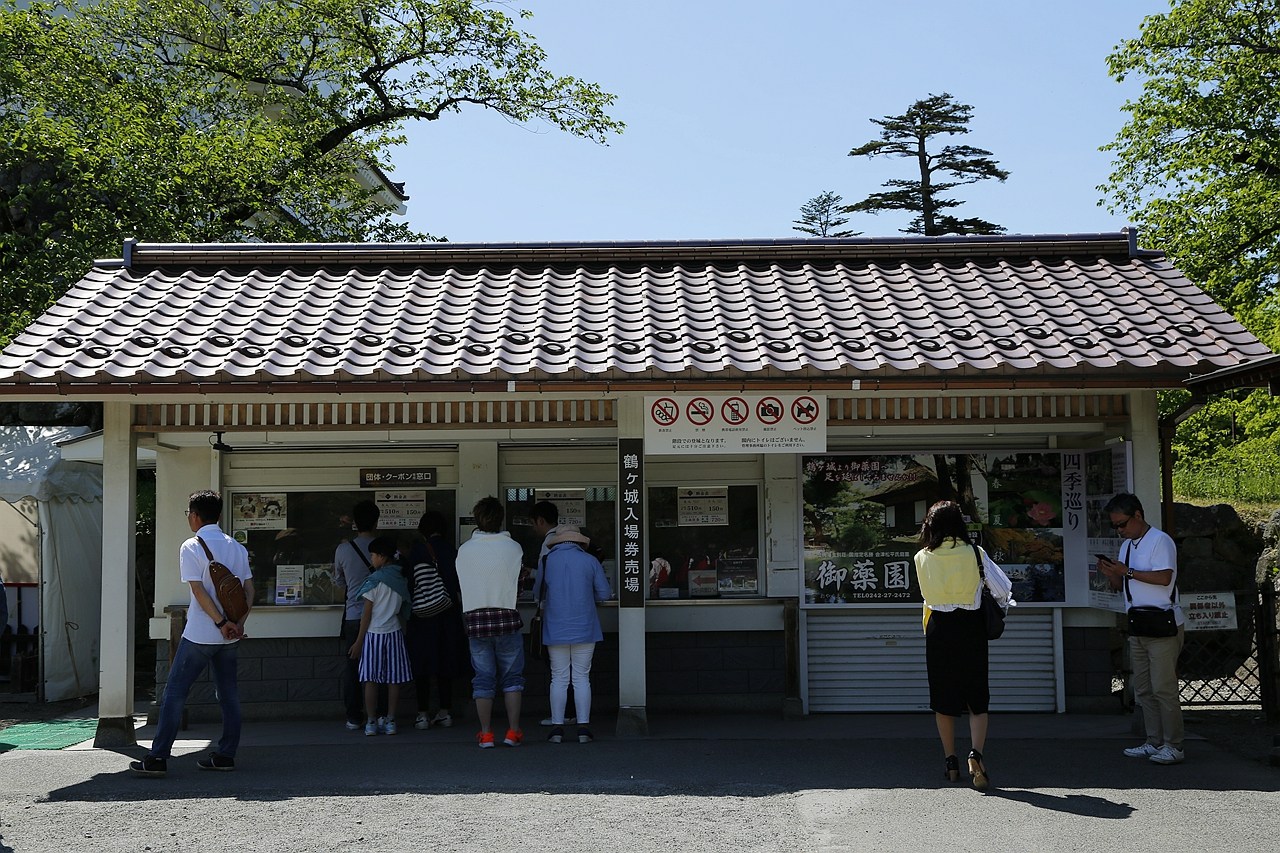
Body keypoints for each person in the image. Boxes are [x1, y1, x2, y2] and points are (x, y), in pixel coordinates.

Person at [131, 490, 253, 776]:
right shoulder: (237, 547)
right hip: (231, 636)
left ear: (195, 516)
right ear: (219, 515)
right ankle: (226, 755)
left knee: (175, 692)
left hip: (200, 633)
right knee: (229, 695)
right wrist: (236, 624)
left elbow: (198, 591)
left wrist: (220, 623)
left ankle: (158, 757)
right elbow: (249, 591)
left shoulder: (192, 546)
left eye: (189, 513)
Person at [914, 500, 1013, 790]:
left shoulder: (921, 556)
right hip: (970, 627)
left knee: (943, 699)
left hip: (938, 628)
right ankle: (976, 755)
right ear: (959, 523)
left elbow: (925, 595)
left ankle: (950, 762)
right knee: (977, 698)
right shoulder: (975, 552)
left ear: (930, 524)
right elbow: (1003, 589)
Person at [1096, 492, 1185, 765]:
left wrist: (1127, 572)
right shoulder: (1126, 546)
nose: (1119, 530)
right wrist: (1112, 574)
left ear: (1138, 516)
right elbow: (1121, 585)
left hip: (1163, 622)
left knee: (1163, 688)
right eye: (1115, 526)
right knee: (1143, 689)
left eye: (1122, 524)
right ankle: (1153, 741)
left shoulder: (1160, 540)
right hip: (1138, 622)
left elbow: (1165, 577)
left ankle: (1174, 745)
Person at [456, 496, 526, 748]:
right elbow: (519, 586)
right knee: (512, 678)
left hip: (476, 623)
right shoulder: (514, 548)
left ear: (477, 519)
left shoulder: (464, 550)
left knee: (483, 678)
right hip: (507, 620)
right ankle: (513, 732)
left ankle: (486, 734)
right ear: (500, 519)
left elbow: (461, 586)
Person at [533, 525, 611, 744]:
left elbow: (537, 593)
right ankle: (583, 729)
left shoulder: (547, 561)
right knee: (581, 677)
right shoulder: (590, 561)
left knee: (558, 678)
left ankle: (557, 729)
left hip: (555, 627)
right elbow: (604, 593)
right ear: (579, 542)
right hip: (585, 627)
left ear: (557, 542)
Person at [402, 512, 470, 730]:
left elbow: (410, 583)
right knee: (445, 663)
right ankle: (445, 712)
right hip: (448, 614)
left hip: (422, 616)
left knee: (422, 665)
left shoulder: (417, 551)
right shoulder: (453, 551)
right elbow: (460, 584)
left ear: (423, 529)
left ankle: (422, 714)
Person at [348, 536, 413, 736]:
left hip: (373, 634)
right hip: (394, 633)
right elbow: (403, 609)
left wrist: (358, 642)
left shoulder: (374, 581)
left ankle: (371, 721)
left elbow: (366, 615)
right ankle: (391, 719)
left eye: (373, 555)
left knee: (370, 680)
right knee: (394, 680)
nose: (371, 559)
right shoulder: (400, 579)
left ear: (383, 557)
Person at [334, 500, 380, 730]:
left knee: (352, 668)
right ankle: (381, 715)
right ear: (376, 522)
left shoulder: (343, 549)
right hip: (381, 616)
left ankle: (354, 717)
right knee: (381, 667)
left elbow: (338, 581)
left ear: (355, 522)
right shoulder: (384, 548)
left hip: (353, 615)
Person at [531, 500, 576, 726]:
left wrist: (537, 599)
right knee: (578, 673)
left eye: (533, 523)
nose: (533, 528)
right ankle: (576, 716)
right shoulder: (571, 542)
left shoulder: (549, 544)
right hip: (576, 614)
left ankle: (562, 715)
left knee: (558, 671)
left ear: (540, 520)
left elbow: (543, 581)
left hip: (554, 614)